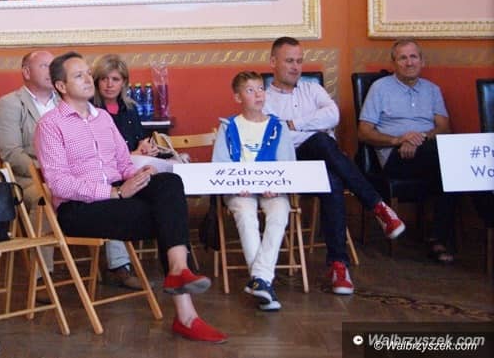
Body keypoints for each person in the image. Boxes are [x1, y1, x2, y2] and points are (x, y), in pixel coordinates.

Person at [35, 52, 227, 343]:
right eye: (78, 75)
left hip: (117, 195)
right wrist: (114, 192)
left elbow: (123, 164)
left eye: (87, 73)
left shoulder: (102, 118)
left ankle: (179, 270)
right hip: (79, 208)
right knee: (166, 217)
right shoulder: (50, 125)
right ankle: (186, 315)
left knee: (169, 181)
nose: (88, 79)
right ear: (61, 86)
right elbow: (59, 184)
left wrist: (140, 174)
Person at [263, 36, 405, 295]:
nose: (296, 67)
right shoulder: (264, 99)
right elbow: (277, 138)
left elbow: (333, 115)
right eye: (289, 61)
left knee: (331, 178)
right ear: (273, 62)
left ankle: (339, 266)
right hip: (288, 165)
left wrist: (295, 124)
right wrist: (311, 127)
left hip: (322, 164)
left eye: (299, 61)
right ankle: (378, 206)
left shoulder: (312, 89)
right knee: (321, 141)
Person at [358, 39, 456, 263]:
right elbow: (363, 132)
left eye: (413, 57)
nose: (409, 62)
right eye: (403, 58)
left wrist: (418, 139)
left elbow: (444, 128)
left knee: (452, 171)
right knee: (450, 163)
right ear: (394, 63)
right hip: (395, 156)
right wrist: (399, 140)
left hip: (426, 152)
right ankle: (439, 240)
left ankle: (437, 237)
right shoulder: (380, 88)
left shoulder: (432, 90)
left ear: (422, 61)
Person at [212, 71, 294, 311]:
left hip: (272, 189)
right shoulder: (228, 127)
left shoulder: (278, 126)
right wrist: (237, 184)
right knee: (246, 215)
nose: (258, 94)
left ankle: (260, 279)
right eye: (250, 90)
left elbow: (287, 164)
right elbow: (220, 165)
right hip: (241, 190)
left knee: (280, 212)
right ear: (238, 97)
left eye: (260, 89)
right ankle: (263, 281)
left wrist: (276, 185)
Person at [90, 54, 175, 289]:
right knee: (117, 198)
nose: (109, 84)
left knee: (166, 188)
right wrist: (132, 154)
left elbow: (138, 140)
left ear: (124, 83)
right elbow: (99, 152)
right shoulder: (91, 111)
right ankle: (120, 267)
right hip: (107, 175)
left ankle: (175, 261)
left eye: (115, 79)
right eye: (104, 79)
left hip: (133, 168)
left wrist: (146, 148)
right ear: (97, 82)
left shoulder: (130, 109)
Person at [0, 51, 59, 277]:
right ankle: (41, 275)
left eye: (54, 66)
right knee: (46, 196)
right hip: (28, 177)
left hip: (67, 175)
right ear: (27, 72)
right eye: (44, 66)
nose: (51, 71)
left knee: (109, 189)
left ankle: (118, 264)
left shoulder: (65, 101)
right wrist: (45, 172)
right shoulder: (11, 103)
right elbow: (11, 153)